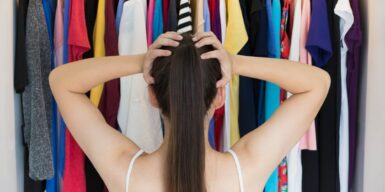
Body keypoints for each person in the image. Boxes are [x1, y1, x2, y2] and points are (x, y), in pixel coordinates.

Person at [49, 31, 330, 192]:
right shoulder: (244, 170)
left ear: (152, 96)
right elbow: (317, 83)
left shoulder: (126, 172)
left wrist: (141, 62)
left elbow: (61, 82)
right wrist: (235, 63)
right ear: (220, 95)